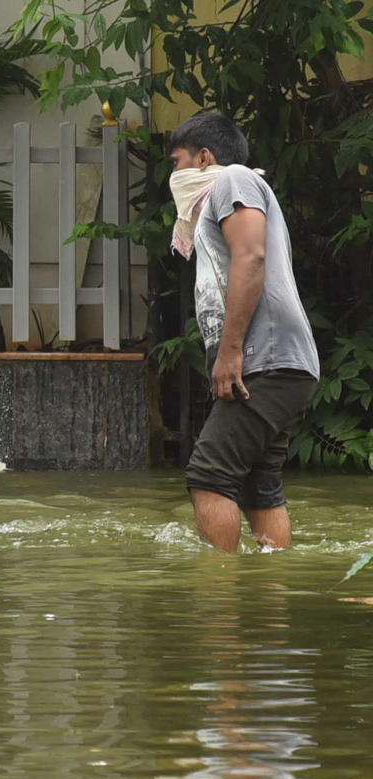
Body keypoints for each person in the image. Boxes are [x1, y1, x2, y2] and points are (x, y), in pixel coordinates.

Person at [168, 111, 319, 552]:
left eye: (176, 162)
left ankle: (219, 601)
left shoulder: (232, 179)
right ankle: (268, 600)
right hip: (281, 362)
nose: (173, 175)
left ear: (204, 158)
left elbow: (250, 257)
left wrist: (230, 351)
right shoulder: (230, 191)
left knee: (209, 476)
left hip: (265, 359)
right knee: (259, 487)